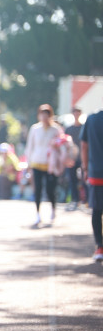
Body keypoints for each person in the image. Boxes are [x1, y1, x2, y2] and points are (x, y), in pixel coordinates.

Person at [25, 104, 62, 226]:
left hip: (50, 164)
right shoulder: (35, 129)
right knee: (38, 189)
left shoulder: (55, 129)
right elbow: (30, 147)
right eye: (42, 114)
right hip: (37, 163)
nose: (44, 117)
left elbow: (61, 145)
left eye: (47, 115)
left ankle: (53, 210)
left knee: (50, 189)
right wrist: (28, 163)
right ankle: (38, 214)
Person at [80, 108, 103, 261]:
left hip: (97, 172)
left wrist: (85, 168)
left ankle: (100, 247)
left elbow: (84, 145)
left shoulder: (92, 119)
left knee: (97, 210)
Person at [64, 107, 83, 210]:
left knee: (84, 180)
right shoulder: (69, 129)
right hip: (71, 158)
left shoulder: (83, 127)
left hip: (82, 158)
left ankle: (84, 200)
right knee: (72, 180)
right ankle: (75, 200)